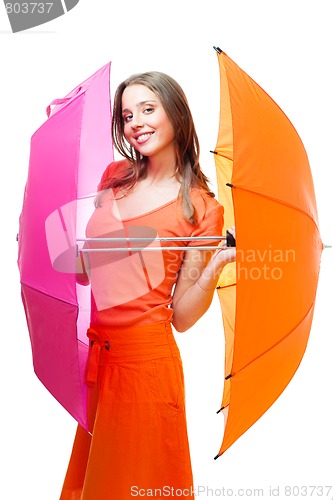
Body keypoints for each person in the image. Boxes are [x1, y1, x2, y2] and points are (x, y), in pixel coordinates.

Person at [60, 71, 236, 500]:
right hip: (101, 363)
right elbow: (84, 268)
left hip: (146, 369)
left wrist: (218, 263)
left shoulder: (201, 209)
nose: (135, 121)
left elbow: (181, 317)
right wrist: (49, 240)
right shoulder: (115, 176)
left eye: (147, 108)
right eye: (126, 115)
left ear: (176, 113)